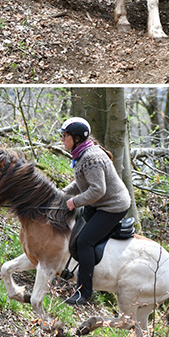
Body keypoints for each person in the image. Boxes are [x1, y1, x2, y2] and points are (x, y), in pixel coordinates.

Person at [60, 117, 132, 305]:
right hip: (99, 203)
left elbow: (97, 190)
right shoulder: (82, 154)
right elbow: (81, 182)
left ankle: (84, 293)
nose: (62, 139)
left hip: (113, 207)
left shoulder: (91, 157)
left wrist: (73, 202)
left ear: (77, 138)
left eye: (65, 136)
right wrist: (61, 195)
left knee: (85, 241)